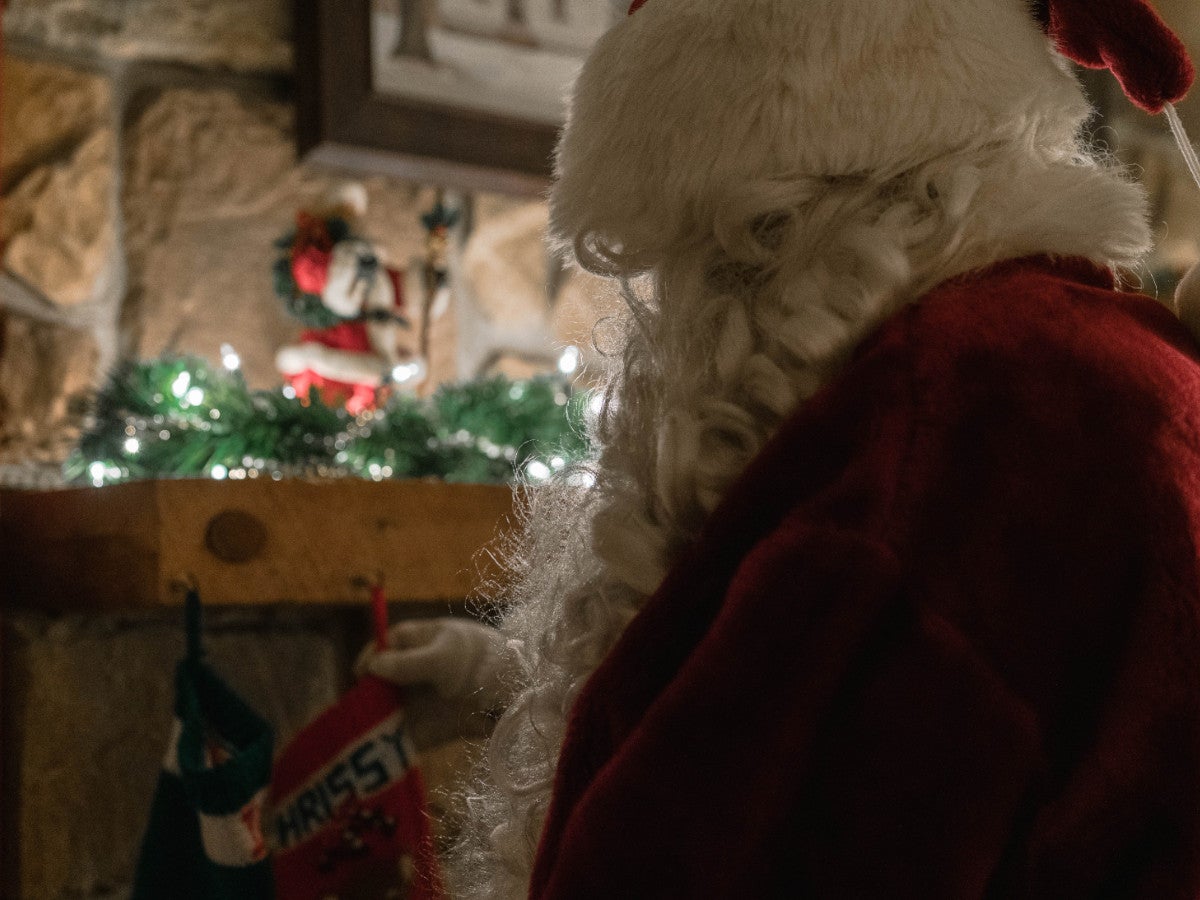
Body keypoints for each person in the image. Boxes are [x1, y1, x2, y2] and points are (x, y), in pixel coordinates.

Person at [358, 0, 1200, 895]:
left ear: (760, 222)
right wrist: (502, 679)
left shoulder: (939, 424)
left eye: (683, 261)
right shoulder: (1088, 374)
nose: (662, 323)